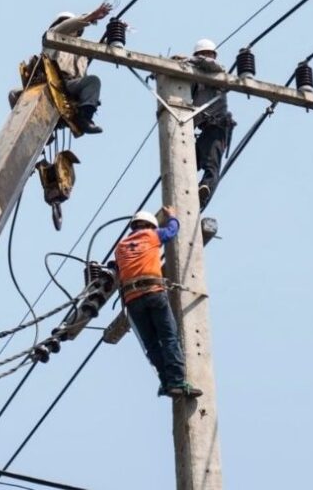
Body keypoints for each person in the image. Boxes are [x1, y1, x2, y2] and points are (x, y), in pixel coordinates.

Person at [114, 207, 203, 398]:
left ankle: (166, 382)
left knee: (153, 345)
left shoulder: (120, 247)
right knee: (169, 337)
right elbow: (172, 230)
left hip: (132, 300)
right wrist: (172, 216)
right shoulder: (151, 235)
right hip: (153, 293)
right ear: (150, 225)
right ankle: (177, 381)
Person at [9, 3, 113, 134]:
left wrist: (116, 31)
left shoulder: (83, 47)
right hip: (51, 84)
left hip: (71, 86)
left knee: (93, 81)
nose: (69, 25)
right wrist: (91, 16)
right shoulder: (53, 35)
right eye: (65, 22)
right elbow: (66, 26)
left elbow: (104, 48)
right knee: (14, 94)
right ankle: (31, 128)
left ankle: (84, 119)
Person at [187, 38, 237, 208]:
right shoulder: (194, 80)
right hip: (204, 131)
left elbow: (211, 65)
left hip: (217, 128)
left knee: (212, 166)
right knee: (186, 161)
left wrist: (187, 59)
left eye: (208, 54)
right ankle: (187, 193)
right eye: (203, 53)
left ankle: (204, 190)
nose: (207, 56)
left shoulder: (217, 72)